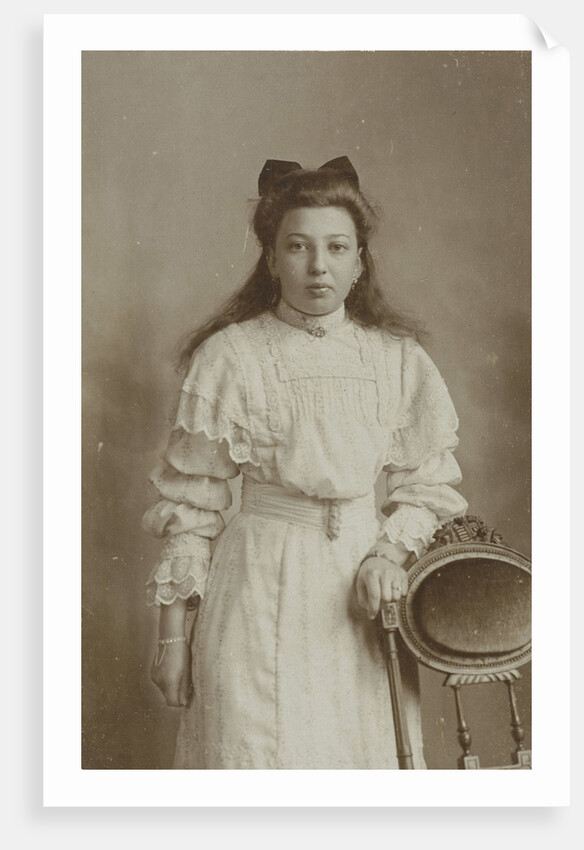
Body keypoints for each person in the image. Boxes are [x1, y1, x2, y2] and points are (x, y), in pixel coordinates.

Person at [142, 157, 468, 769]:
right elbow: (190, 505)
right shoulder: (230, 357)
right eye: (298, 246)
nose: (318, 266)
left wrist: (387, 553)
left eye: (337, 247)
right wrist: (171, 640)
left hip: (363, 601)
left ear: (359, 259)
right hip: (256, 587)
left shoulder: (396, 358)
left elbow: (427, 483)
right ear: (271, 258)